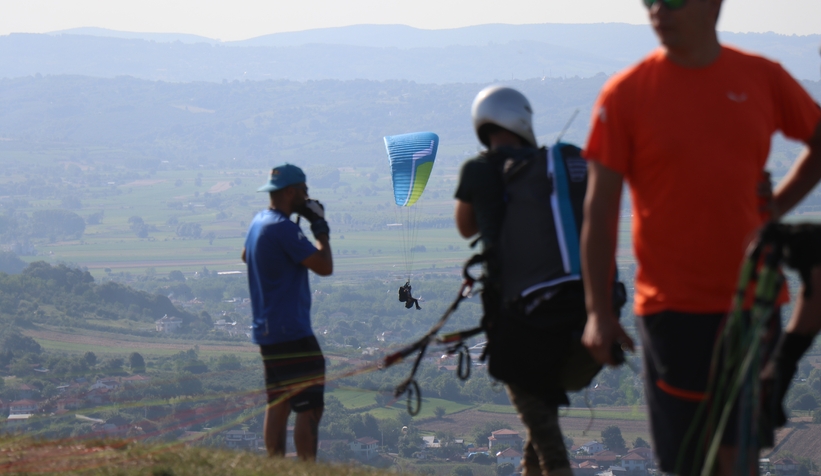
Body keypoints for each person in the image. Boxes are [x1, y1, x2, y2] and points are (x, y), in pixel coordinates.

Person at [580, 0, 821, 474]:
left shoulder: (762, 77)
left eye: (671, 0)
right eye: (649, 0)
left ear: (712, 4)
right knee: (689, 461)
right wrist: (597, 313)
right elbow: (600, 208)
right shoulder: (626, 93)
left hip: (753, 302)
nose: (656, 10)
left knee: (739, 456)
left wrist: (774, 209)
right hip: (672, 309)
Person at [455, 86, 602, 476]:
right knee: (540, 418)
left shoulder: (480, 169)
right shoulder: (549, 169)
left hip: (520, 318)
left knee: (545, 434)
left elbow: (464, 225)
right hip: (577, 307)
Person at [241, 163, 333, 461]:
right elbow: (324, 266)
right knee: (310, 407)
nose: (307, 198)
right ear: (291, 191)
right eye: (304, 191)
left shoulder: (260, 222)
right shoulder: (282, 228)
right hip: (292, 331)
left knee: (278, 402)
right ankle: (307, 468)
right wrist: (320, 227)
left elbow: (245, 254)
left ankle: (275, 466)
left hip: (266, 330)